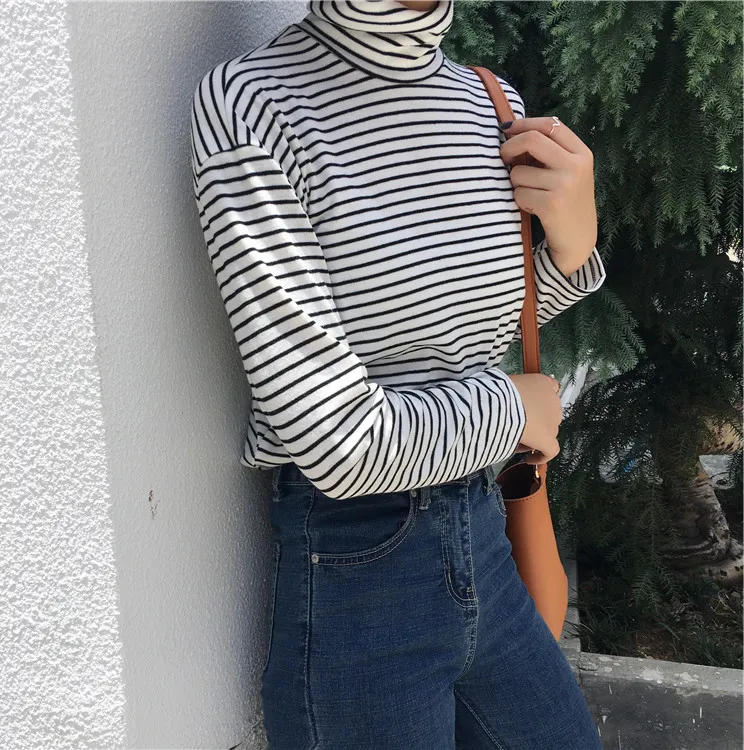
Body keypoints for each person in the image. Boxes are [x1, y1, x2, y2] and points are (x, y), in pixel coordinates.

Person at [190, 0, 606, 747]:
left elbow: (460, 329)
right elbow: (338, 444)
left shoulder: (491, 102)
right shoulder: (253, 103)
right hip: (359, 572)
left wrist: (574, 247)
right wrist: (513, 412)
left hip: (484, 536)